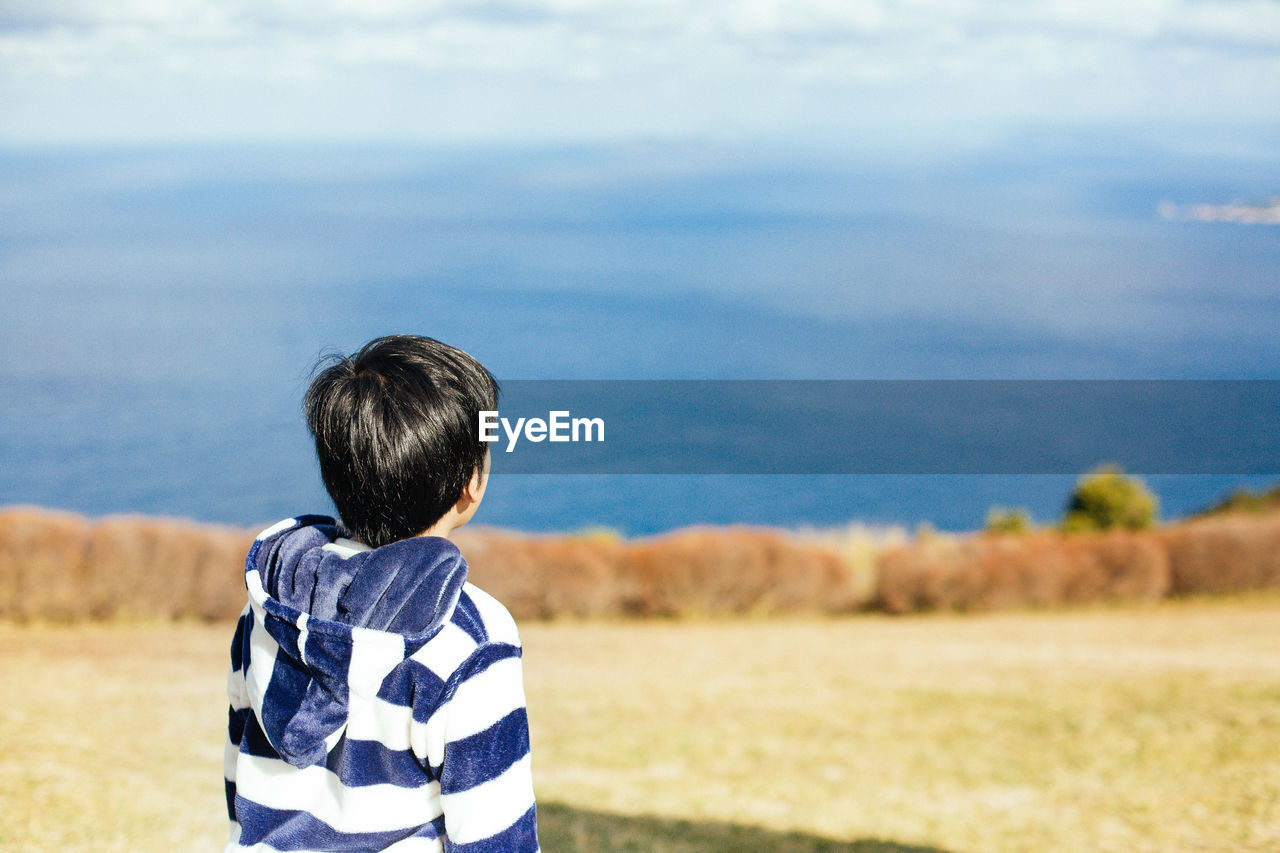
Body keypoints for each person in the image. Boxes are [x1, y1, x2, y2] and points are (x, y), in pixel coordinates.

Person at [224, 335, 539, 853]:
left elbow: (241, 780)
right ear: (470, 484)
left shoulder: (271, 604)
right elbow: (497, 835)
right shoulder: (468, 635)